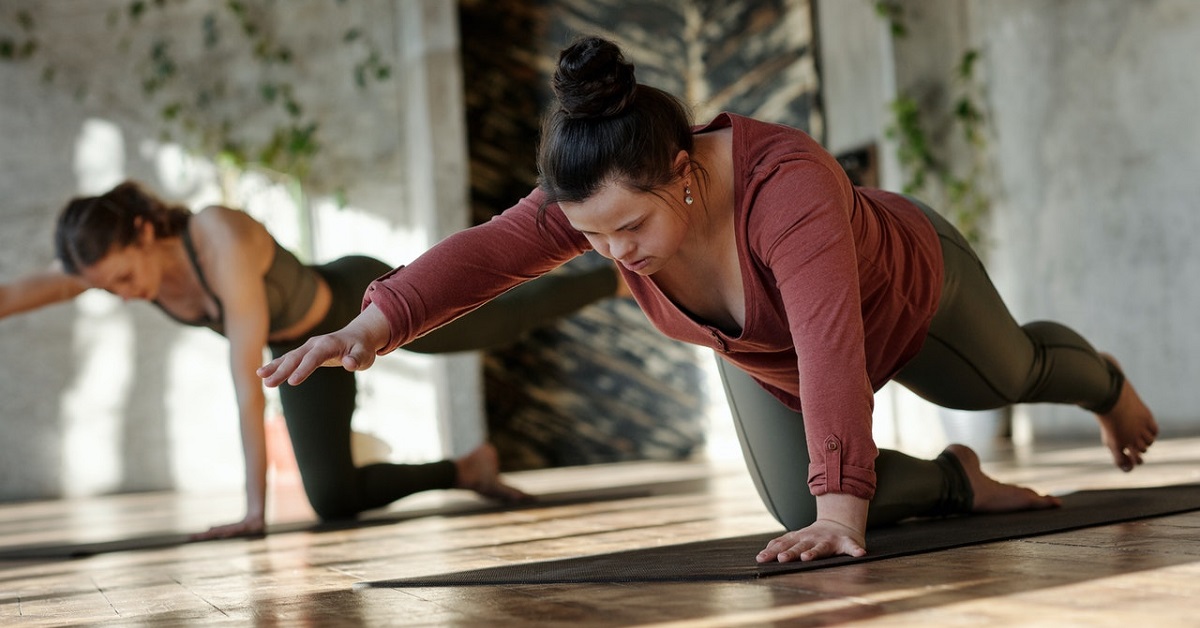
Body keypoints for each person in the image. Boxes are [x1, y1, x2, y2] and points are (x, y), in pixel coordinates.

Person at [259, 36, 1158, 563]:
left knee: (1006, 378)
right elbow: (489, 253)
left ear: (683, 175)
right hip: (768, 358)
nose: (612, 255)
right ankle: (962, 483)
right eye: (591, 235)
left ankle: (1105, 382)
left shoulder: (788, 187)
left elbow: (829, 343)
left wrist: (847, 505)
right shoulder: (602, 197)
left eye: (627, 231)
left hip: (907, 290)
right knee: (802, 515)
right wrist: (373, 324)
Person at [1, 180, 625, 540]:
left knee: (502, 319)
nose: (121, 292)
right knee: (333, 497)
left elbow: (247, 381)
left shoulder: (216, 236)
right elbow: (19, 292)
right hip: (303, 352)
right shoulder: (107, 263)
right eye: (105, 287)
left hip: (350, 303)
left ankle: (616, 279)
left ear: (142, 231)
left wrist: (254, 511)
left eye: (122, 277)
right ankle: (467, 470)